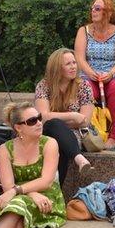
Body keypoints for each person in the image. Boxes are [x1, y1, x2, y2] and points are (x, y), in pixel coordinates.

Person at [74, 0, 115, 149]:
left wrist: (111, 73)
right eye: (92, 8)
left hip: (114, 73)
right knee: (86, 88)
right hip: (89, 72)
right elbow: (79, 57)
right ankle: (90, 135)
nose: (93, 11)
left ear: (108, 12)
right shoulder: (83, 31)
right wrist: (90, 72)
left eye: (97, 8)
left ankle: (114, 137)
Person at [35, 48, 94, 185]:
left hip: (74, 136)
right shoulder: (44, 86)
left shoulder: (83, 86)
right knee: (53, 125)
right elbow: (43, 117)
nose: (73, 66)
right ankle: (78, 158)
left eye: (74, 62)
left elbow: (84, 121)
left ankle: (56, 192)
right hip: (46, 132)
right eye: (68, 64)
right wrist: (72, 115)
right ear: (56, 68)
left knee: (57, 143)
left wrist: (56, 120)